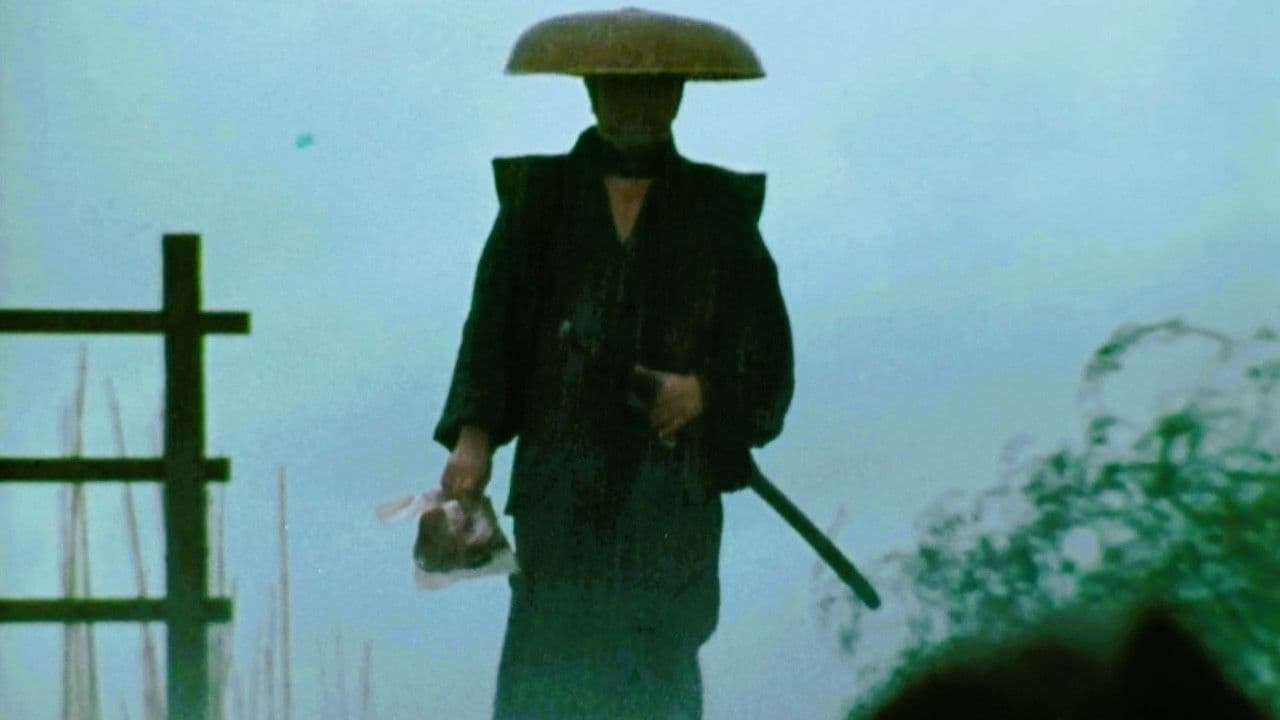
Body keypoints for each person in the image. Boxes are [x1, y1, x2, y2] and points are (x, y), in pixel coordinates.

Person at [432, 9, 794, 719]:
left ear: (677, 96)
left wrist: (704, 392)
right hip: (561, 488)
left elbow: (768, 359)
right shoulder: (537, 203)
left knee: (657, 678)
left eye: (653, 90)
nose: (636, 106)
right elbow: (492, 334)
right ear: (592, 93)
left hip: (671, 498)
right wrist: (473, 443)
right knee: (549, 673)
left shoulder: (720, 213)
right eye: (620, 89)